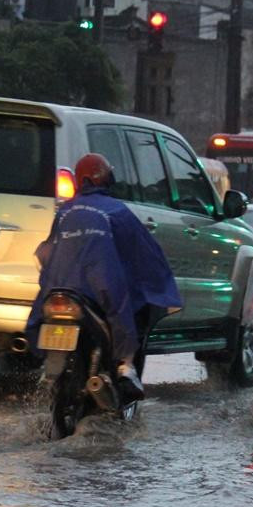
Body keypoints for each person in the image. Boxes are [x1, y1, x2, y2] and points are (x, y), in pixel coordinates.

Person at [28, 153, 181, 401]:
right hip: (99, 287)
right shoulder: (118, 211)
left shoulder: (66, 210)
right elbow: (144, 253)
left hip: (60, 287)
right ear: (103, 177)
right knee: (125, 313)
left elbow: (49, 249)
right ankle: (125, 366)